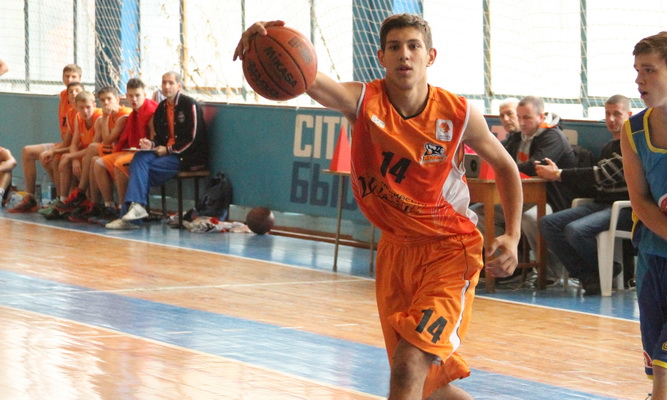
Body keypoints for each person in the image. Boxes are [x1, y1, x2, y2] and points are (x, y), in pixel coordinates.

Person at [235, 15, 522, 400]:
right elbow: (309, 79)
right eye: (394, 47)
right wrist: (262, 42)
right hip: (395, 250)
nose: (404, 55)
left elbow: (505, 166)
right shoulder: (363, 101)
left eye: (413, 46)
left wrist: (512, 235)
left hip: (449, 251)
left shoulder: (457, 113)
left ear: (430, 56)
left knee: (409, 365)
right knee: (428, 388)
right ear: (381, 57)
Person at [537, 95, 632, 295]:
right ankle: (590, 275)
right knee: (548, 223)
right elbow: (595, 184)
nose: (611, 119)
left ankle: (602, 270)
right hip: (600, 205)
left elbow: (603, 174)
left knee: (576, 230)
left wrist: (560, 174)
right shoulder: (608, 146)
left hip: (624, 209)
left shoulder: (632, 145)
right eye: (607, 114)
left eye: (617, 114)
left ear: (629, 115)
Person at [621, 31, 667, 400]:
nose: (640, 80)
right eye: (637, 70)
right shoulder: (634, 129)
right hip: (654, 253)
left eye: (649, 70)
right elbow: (640, 200)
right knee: (656, 350)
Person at [106, 71, 208, 230]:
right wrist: (151, 144)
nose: (166, 86)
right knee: (139, 158)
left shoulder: (189, 105)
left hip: (185, 157)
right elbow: (160, 138)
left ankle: (130, 216)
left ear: (179, 86)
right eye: (164, 83)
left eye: (171, 83)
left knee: (139, 171)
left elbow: (193, 138)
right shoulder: (161, 107)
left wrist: (168, 149)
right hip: (166, 153)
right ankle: (136, 209)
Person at [9, 64, 82, 213]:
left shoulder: (83, 104)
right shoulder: (64, 95)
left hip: (76, 146)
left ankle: (63, 199)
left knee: (54, 158)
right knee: (28, 151)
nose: (70, 79)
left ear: (80, 79)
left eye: (73, 77)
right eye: (67, 76)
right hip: (64, 143)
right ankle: (31, 198)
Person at [55, 86, 132, 221]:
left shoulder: (123, 114)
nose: (106, 103)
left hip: (125, 151)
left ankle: (80, 192)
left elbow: (107, 141)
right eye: (103, 100)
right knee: (93, 160)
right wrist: (70, 157)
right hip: (112, 150)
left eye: (109, 99)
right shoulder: (88, 117)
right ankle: (103, 205)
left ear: (117, 99)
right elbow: (76, 143)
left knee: (91, 149)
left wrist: (105, 117)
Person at [90, 78, 158, 225]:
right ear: (126, 96)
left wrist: (148, 145)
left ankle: (123, 210)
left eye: (137, 95)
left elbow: (154, 141)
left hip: (148, 154)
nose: (134, 99)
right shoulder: (134, 113)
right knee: (99, 163)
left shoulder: (149, 112)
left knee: (119, 164)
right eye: (131, 96)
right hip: (133, 151)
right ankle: (109, 207)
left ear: (145, 95)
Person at [38, 81, 84, 207]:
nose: (74, 94)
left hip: (85, 152)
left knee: (64, 159)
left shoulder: (90, 114)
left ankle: (83, 201)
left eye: (77, 91)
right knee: (53, 158)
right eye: (71, 92)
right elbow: (69, 142)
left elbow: (86, 145)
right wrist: (53, 151)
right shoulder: (70, 113)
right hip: (75, 150)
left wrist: (72, 157)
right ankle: (62, 199)